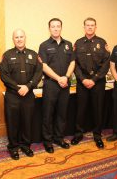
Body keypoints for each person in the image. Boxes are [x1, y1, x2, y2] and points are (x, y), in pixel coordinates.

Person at [0, 29, 43, 160]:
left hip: (28, 94)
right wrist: (17, 87)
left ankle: (26, 146)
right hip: (13, 95)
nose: (19, 39)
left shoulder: (33, 54)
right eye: (16, 37)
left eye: (21, 37)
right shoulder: (7, 55)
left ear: (25, 38)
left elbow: (38, 73)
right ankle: (13, 147)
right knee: (12, 123)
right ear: (13, 39)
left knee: (27, 121)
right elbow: (4, 75)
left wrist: (28, 86)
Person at [71, 17, 110, 149]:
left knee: (97, 109)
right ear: (84, 27)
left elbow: (106, 63)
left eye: (92, 25)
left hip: (97, 82)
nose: (90, 27)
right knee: (80, 109)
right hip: (82, 81)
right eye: (87, 25)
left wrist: (94, 80)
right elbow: (74, 63)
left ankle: (97, 135)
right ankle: (78, 134)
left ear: (95, 27)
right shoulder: (78, 43)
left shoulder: (102, 42)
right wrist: (83, 79)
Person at [38, 18, 75, 153]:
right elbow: (44, 66)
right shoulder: (44, 45)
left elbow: (72, 62)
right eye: (53, 26)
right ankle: (48, 141)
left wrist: (66, 77)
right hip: (51, 84)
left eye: (58, 26)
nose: (55, 28)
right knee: (48, 114)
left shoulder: (68, 44)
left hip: (65, 84)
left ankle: (59, 138)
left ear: (61, 28)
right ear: (49, 29)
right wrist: (58, 78)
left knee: (62, 113)